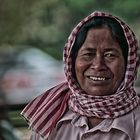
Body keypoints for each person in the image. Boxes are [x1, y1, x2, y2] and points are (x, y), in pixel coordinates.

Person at [21, 11, 140, 140]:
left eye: (110, 55)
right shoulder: (49, 117)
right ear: (72, 61)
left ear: (129, 63)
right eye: (88, 54)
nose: (98, 65)